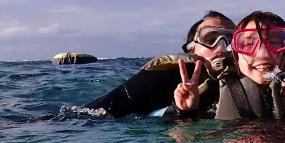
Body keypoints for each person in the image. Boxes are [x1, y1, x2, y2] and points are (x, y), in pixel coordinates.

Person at [163, 11, 285, 123]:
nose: (262, 53)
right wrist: (184, 112)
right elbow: (173, 135)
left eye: (275, 42)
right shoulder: (212, 94)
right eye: (248, 43)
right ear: (236, 54)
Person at [82, 11, 237, 117]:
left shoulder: (249, 79)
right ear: (191, 49)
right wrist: (183, 111)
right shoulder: (159, 79)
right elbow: (89, 116)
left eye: (230, 40)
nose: (221, 47)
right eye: (210, 40)